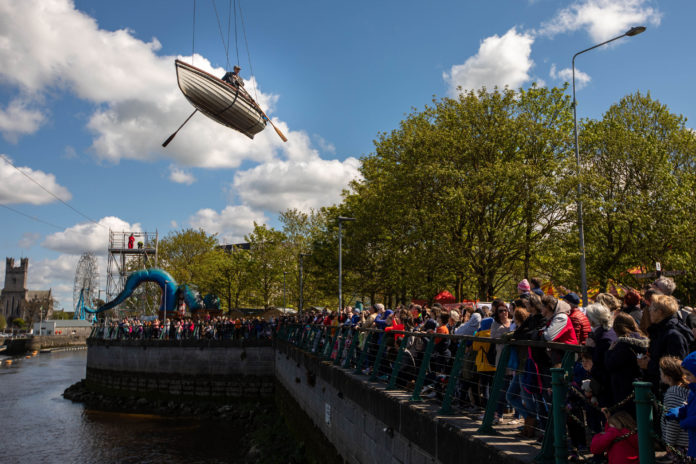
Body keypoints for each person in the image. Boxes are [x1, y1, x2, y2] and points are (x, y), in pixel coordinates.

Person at [665, 351, 696, 459]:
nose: (686, 378)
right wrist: (680, 411)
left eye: (689, 374)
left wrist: (685, 421)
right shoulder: (693, 391)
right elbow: (691, 407)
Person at [660, 356, 690, 462]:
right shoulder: (685, 390)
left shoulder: (673, 393)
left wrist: (669, 443)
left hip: (680, 443)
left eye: (661, 373)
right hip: (687, 441)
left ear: (668, 377)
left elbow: (673, 421)